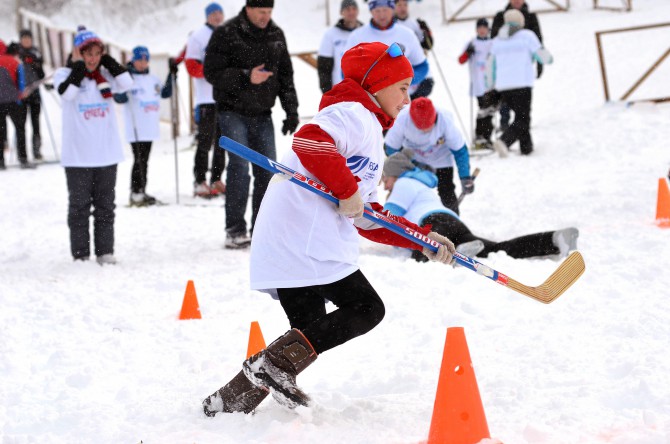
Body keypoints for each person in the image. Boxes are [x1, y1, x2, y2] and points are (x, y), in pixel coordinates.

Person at [201, 41, 456, 416]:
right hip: (304, 237)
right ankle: (271, 369)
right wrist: (347, 189)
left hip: (289, 238)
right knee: (366, 307)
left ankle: (228, 405)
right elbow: (308, 140)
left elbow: (366, 215)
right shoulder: (354, 112)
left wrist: (418, 239)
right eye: (402, 88)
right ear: (378, 83)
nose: (406, 100)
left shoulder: (368, 128)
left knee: (309, 329)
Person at [204, 0, 300, 249]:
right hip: (232, 111)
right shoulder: (226, 33)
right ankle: (235, 229)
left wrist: (291, 111)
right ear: (248, 9)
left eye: (269, 12)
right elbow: (211, 72)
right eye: (261, 12)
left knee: (268, 171)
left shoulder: (276, 35)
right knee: (239, 166)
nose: (265, 17)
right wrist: (246, 76)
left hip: (263, 113)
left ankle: (261, 228)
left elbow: (286, 75)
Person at [381, 150, 579, 262]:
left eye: (386, 178)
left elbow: (386, 219)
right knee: (496, 250)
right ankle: (553, 240)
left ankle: (458, 256)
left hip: (433, 225)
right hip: (453, 222)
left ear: (396, 174)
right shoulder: (421, 185)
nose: (384, 184)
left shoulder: (403, 183)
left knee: (422, 260)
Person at [53, 27, 132, 264]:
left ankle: (105, 252)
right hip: (78, 157)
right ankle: (81, 254)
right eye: (88, 53)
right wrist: (79, 67)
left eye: (98, 54)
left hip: (106, 155)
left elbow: (126, 83)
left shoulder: (107, 77)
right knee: (79, 208)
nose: (93, 59)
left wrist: (108, 61)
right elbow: (68, 94)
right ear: (78, 53)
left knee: (105, 207)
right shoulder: (64, 73)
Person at [384, 97, 474, 215]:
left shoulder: (445, 120)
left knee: (446, 190)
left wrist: (465, 177)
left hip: (441, 158)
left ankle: (453, 224)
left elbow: (460, 151)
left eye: (429, 127)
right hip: (415, 160)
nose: (426, 131)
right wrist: (410, 165)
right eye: (422, 128)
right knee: (414, 191)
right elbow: (390, 148)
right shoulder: (402, 119)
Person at [113, 46, 175, 206]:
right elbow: (119, 98)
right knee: (139, 159)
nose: (143, 62)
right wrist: (123, 81)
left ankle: (141, 190)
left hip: (149, 128)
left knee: (144, 160)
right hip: (135, 128)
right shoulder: (129, 79)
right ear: (133, 59)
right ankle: (135, 191)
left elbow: (166, 93)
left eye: (145, 59)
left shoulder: (153, 79)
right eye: (139, 59)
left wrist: (172, 74)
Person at [486, 10, 553, 157]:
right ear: (521, 22)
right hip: (522, 83)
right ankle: (504, 141)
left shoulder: (497, 40)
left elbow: (490, 64)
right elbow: (542, 55)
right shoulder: (527, 36)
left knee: (520, 116)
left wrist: (489, 85)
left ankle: (526, 147)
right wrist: (549, 59)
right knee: (524, 119)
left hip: (504, 86)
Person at [345, 0, 430, 100]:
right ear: (371, 11)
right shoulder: (357, 36)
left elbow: (422, 66)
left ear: (392, 9)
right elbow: (346, 70)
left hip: (400, 102)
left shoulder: (407, 34)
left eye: (385, 10)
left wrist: (405, 80)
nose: (382, 15)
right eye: (377, 11)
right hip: (368, 102)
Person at [185, 2, 226, 198]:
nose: (217, 17)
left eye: (220, 13)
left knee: (222, 141)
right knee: (205, 141)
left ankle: (216, 179)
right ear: (208, 16)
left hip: (224, 97)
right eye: (214, 14)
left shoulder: (228, 33)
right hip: (206, 98)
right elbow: (191, 64)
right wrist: (211, 73)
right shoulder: (198, 35)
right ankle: (199, 180)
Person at [491, 0, 543, 132]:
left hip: (522, 67)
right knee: (506, 100)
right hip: (504, 66)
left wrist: (539, 63)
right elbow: (493, 40)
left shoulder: (531, 17)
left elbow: (538, 41)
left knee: (522, 105)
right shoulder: (500, 16)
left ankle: (521, 135)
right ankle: (506, 125)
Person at [458, 18, 496, 151]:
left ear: (488, 29)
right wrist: (468, 52)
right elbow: (461, 60)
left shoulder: (493, 43)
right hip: (478, 84)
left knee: (490, 112)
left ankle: (486, 137)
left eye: (484, 27)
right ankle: (480, 137)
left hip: (491, 85)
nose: (482, 30)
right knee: (483, 110)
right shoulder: (472, 43)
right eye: (479, 27)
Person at [316, 0, 363, 94]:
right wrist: (328, 92)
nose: (351, 12)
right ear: (341, 12)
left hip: (363, 90)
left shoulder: (364, 32)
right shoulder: (331, 34)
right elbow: (324, 67)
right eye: (348, 9)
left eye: (354, 9)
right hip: (340, 91)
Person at [0, 38, 32, 170]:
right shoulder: (15, 62)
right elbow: (21, 83)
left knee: (0, 132)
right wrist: (21, 95)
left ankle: (1, 161)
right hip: (14, 101)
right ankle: (23, 158)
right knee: (20, 129)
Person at [393, 0, 435, 99]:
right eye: (399, 5)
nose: (402, 8)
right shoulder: (391, 26)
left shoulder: (415, 23)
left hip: (418, 70)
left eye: (405, 5)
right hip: (399, 72)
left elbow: (428, 45)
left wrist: (426, 32)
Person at [18, 29, 45, 162]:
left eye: (28, 38)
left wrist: (35, 64)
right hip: (21, 94)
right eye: (24, 38)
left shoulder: (36, 52)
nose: (26, 41)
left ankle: (37, 150)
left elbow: (42, 74)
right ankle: (22, 154)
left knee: (36, 123)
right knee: (21, 124)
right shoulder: (17, 53)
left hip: (34, 92)